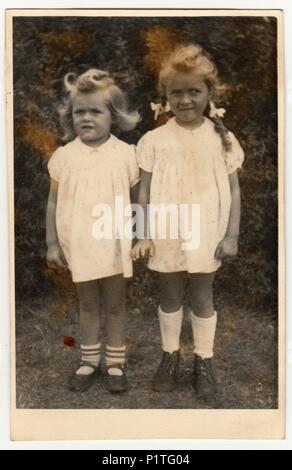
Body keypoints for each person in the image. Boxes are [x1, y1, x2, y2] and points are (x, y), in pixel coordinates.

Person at [132, 44, 244, 399]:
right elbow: (144, 192)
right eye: (176, 92)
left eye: (194, 91)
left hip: (207, 229)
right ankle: (170, 357)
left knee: (201, 294)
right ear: (165, 97)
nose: (185, 100)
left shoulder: (222, 138)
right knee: (169, 294)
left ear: (209, 93)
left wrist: (231, 236)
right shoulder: (154, 140)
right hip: (165, 229)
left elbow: (234, 192)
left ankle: (204, 361)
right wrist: (142, 233)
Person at [46, 69, 140, 393]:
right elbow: (53, 201)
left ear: (113, 116)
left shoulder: (127, 155)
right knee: (87, 304)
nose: (86, 118)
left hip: (115, 243)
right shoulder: (64, 156)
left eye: (95, 111)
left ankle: (115, 364)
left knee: (115, 304)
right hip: (81, 244)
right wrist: (52, 244)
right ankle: (88, 361)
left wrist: (140, 236)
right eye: (79, 112)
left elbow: (138, 200)